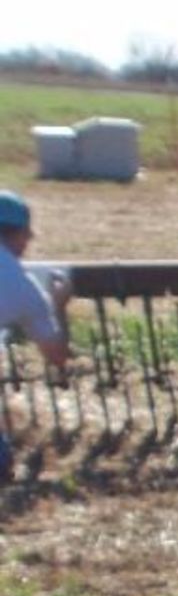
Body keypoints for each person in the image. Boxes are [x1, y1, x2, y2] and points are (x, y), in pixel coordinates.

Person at [0, 190, 68, 480]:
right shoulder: (24, 289)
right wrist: (58, 306)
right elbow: (56, 356)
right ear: (17, 235)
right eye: (27, 233)